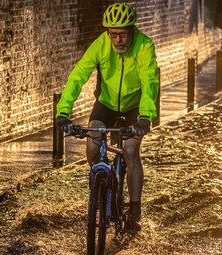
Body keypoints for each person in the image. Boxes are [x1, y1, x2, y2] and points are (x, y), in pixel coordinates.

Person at [55, 3, 159, 233]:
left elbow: (150, 82)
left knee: (131, 151)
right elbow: (77, 76)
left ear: (132, 30)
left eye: (122, 34)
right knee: (92, 146)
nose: (118, 40)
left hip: (135, 106)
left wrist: (145, 117)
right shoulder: (101, 45)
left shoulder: (144, 46)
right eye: (113, 35)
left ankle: (135, 207)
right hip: (107, 104)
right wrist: (63, 112)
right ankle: (103, 186)